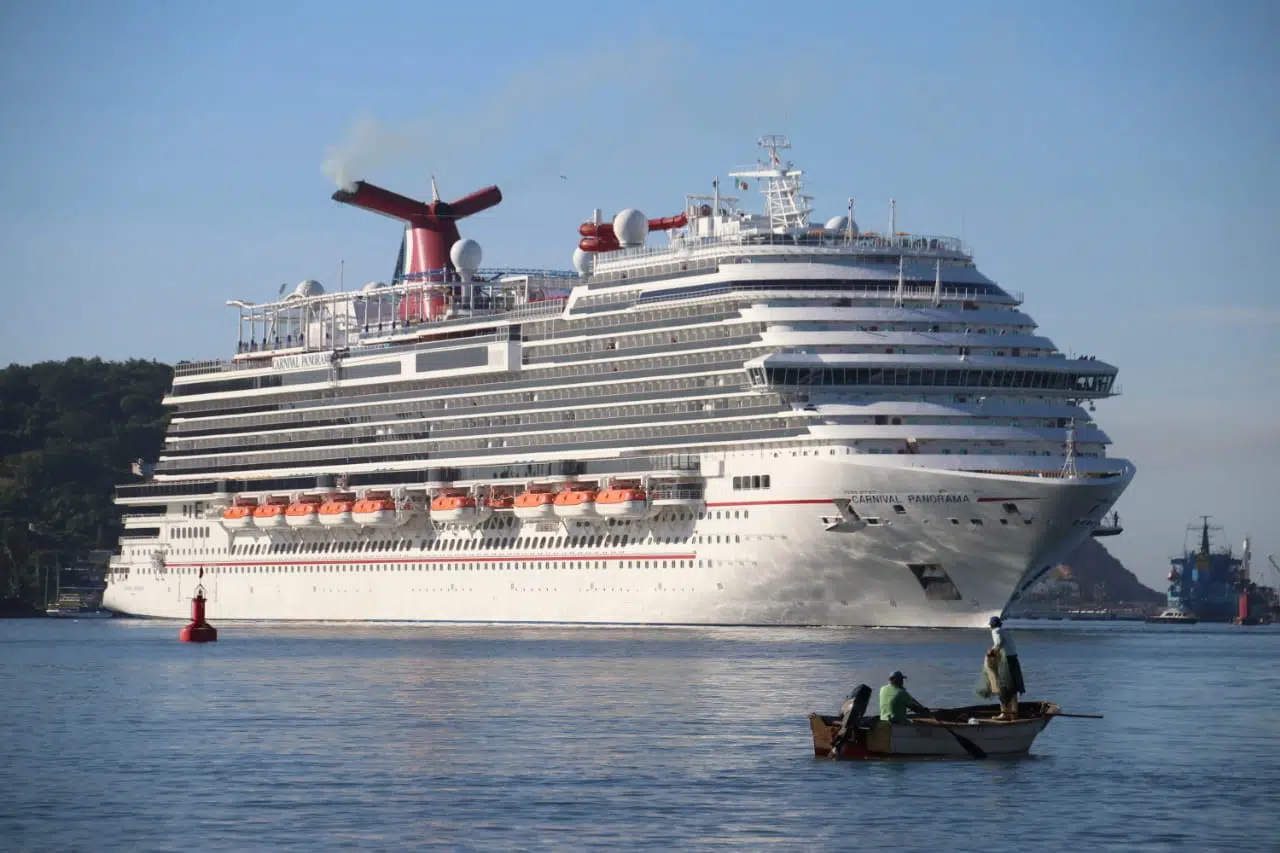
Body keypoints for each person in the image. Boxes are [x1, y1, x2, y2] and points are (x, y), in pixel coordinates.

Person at [989, 616, 1025, 720]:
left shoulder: (996, 631)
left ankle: (1004, 714)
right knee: (1013, 688)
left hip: (1006, 662)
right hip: (1014, 660)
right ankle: (1014, 712)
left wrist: (991, 651)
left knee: (1003, 687)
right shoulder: (1006, 631)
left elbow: (998, 642)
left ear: (991, 625)